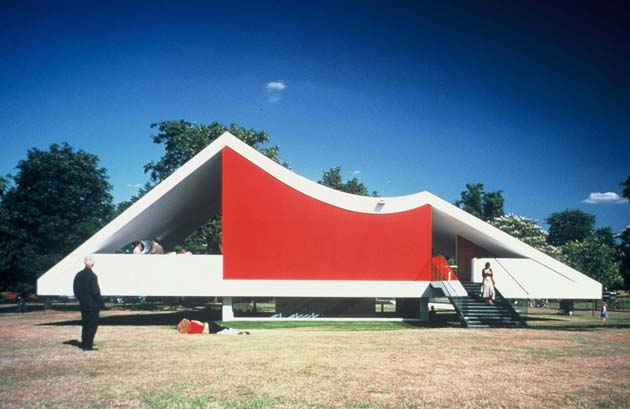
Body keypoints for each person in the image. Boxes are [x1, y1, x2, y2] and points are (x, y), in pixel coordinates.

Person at [73, 256, 106, 351]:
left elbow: (76, 290)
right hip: (93, 305)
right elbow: (95, 292)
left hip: (83, 304)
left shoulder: (78, 275)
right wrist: (102, 303)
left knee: (85, 324)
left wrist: (81, 299)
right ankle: (88, 345)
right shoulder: (92, 276)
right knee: (92, 325)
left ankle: (84, 343)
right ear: (92, 264)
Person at [176, 318, 250, 335]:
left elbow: (181, 332)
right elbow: (201, 323)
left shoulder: (188, 332)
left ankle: (239, 333)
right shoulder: (192, 321)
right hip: (208, 324)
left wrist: (179, 330)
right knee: (223, 328)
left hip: (209, 330)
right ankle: (238, 331)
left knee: (223, 331)